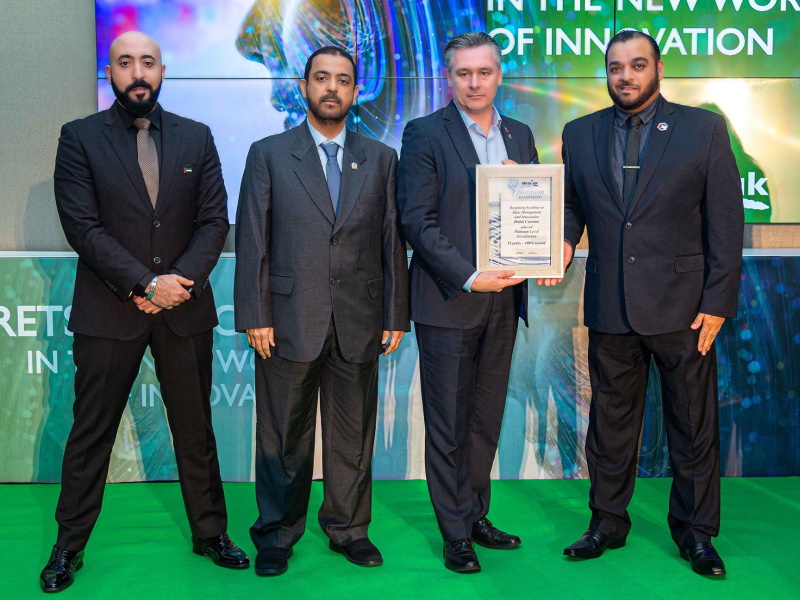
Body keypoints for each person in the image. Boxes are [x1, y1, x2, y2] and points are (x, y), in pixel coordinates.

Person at [41, 32, 248, 593]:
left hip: (183, 307)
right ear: (109, 72)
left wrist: (175, 284)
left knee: (195, 429)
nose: (138, 72)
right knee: (91, 433)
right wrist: (144, 282)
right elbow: (82, 226)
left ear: (162, 71)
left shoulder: (196, 136)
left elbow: (214, 221)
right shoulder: (79, 137)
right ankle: (68, 546)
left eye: (148, 62)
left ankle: (211, 533)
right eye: (126, 62)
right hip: (111, 309)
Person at [545, 29, 744, 576]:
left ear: (658, 69)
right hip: (611, 305)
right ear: (606, 74)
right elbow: (572, 205)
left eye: (637, 65)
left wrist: (718, 301)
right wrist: (563, 240)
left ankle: (696, 534)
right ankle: (606, 522)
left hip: (686, 309)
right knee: (609, 426)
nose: (626, 76)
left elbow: (726, 221)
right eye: (616, 67)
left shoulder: (703, 128)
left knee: (692, 426)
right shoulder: (579, 133)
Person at [233, 46, 409, 577]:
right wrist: (255, 313)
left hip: (359, 319)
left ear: (356, 91)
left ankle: (349, 529)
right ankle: (276, 534)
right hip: (287, 321)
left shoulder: (381, 158)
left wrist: (395, 314)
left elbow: (391, 241)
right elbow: (253, 241)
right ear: (304, 86)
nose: (332, 88)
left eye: (343, 80)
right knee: (283, 437)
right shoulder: (268, 153)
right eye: (322, 78)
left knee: (352, 437)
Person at [396, 32, 538, 573]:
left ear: (499, 75)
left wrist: (544, 253)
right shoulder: (424, 133)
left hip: (505, 301)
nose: (474, 83)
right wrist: (471, 275)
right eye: (463, 73)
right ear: (449, 77)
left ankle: (476, 514)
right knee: (449, 423)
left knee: (484, 418)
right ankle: (454, 532)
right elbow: (417, 221)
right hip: (450, 299)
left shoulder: (520, 135)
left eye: (484, 72)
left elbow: (533, 211)